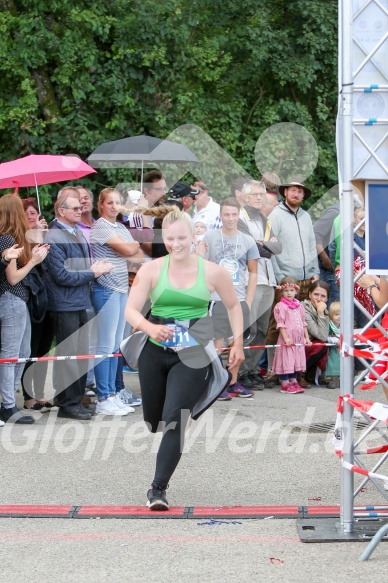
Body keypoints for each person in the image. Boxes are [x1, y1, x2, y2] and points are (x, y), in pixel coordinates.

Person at [124, 209, 244, 511]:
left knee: (176, 420)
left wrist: (238, 343)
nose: (176, 244)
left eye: (182, 238)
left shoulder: (213, 272)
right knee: (156, 420)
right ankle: (161, 458)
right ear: (163, 239)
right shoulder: (151, 269)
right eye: (170, 238)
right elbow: (131, 311)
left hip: (192, 353)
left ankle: (158, 489)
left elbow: (233, 306)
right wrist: (150, 327)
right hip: (154, 351)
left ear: (194, 237)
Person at [43, 187, 113, 420]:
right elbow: (61, 275)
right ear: (61, 211)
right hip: (64, 305)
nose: (80, 210)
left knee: (81, 354)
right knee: (70, 356)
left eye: (80, 206)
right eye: (74, 208)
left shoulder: (74, 231)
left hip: (79, 301)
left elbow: (80, 267)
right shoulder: (54, 235)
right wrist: (92, 273)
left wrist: (96, 269)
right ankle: (68, 403)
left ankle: (75, 400)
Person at [90, 187, 144, 416]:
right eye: (109, 202)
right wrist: (132, 246)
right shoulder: (101, 227)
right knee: (105, 345)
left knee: (116, 345)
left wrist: (132, 248)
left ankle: (112, 393)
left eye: (117, 203)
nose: (113, 206)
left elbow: (137, 256)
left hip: (123, 288)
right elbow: (128, 249)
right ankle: (104, 397)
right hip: (106, 289)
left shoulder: (120, 227)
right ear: (101, 205)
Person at [200, 197, 259, 399]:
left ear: (238, 215)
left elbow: (253, 273)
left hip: (239, 298)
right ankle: (218, 383)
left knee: (237, 342)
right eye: (226, 214)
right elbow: (202, 266)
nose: (230, 218)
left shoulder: (247, 240)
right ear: (221, 215)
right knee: (218, 343)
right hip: (216, 299)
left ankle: (233, 381)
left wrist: (249, 301)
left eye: (234, 214)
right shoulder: (210, 236)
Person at [0, 194, 50, 424]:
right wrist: (33, 262)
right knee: (12, 354)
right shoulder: (7, 239)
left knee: (21, 353)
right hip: (12, 299)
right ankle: (8, 405)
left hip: (16, 301)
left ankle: (8, 402)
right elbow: (13, 278)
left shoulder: (11, 238)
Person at [266, 177, 320, 388]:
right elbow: (270, 247)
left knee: (300, 324)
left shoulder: (305, 216)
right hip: (286, 276)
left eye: (300, 191)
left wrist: (315, 270)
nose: (297, 194)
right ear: (285, 192)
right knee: (277, 324)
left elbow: (310, 244)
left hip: (307, 276)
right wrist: (279, 276)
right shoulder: (275, 215)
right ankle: (273, 369)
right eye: (293, 190)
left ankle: (299, 372)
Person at [237, 180, 282, 390]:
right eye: (254, 194)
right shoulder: (240, 218)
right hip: (250, 279)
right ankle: (243, 371)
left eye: (261, 194)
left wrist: (265, 246)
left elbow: (277, 248)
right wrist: (265, 246)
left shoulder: (265, 221)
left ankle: (254, 370)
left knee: (263, 328)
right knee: (250, 327)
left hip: (268, 278)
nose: (258, 198)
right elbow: (253, 249)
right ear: (245, 198)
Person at [20, 198, 54, 410]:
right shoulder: (17, 238)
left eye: (34, 213)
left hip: (48, 299)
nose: (32, 217)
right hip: (30, 301)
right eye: (27, 214)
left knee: (43, 350)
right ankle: (28, 396)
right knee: (29, 349)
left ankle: (40, 393)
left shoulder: (45, 235)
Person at [272, 277, 311, 394]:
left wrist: (307, 338)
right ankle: (285, 383)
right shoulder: (281, 306)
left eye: (291, 290)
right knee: (287, 359)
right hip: (288, 338)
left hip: (298, 338)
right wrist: (286, 338)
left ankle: (294, 381)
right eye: (286, 290)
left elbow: (304, 323)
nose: (289, 293)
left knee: (295, 360)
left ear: (296, 291)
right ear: (281, 292)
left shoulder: (299, 306)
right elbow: (281, 324)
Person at [302, 280, 335, 388]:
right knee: (321, 344)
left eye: (323, 296)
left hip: (311, 344)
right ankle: (300, 374)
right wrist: (320, 313)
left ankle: (317, 374)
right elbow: (322, 336)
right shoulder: (303, 308)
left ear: (327, 299)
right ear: (309, 294)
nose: (319, 299)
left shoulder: (324, 309)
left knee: (328, 345)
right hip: (299, 345)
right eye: (316, 294)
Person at [313, 203, 340, 307]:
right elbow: (314, 233)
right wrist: (325, 259)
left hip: (342, 271)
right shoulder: (335, 213)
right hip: (329, 271)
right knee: (333, 311)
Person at [326, 301, 340, 388]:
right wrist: (335, 340)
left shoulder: (345, 325)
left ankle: (339, 378)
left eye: (342, 314)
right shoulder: (329, 325)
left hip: (340, 349)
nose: (339, 317)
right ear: (331, 315)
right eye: (336, 314)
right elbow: (325, 336)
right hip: (331, 349)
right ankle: (329, 379)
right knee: (331, 363)